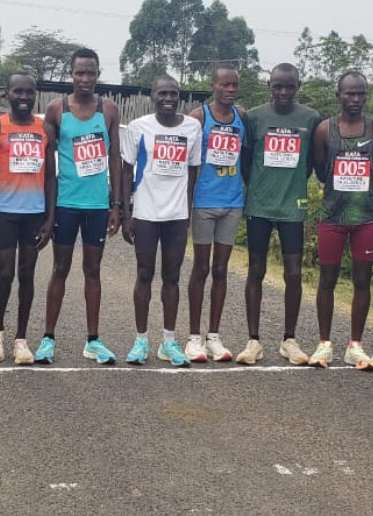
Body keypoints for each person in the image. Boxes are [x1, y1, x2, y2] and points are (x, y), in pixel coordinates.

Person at [37, 48, 123, 365]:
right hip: (66, 204)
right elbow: (47, 163)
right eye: (80, 72)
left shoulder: (108, 109)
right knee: (60, 269)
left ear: (98, 75)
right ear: (70, 74)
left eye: (91, 73)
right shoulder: (56, 110)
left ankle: (93, 341)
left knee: (93, 271)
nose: (85, 78)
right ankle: (47, 338)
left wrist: (116, 205)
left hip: (97, 205)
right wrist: (48, 211)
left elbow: (115, 159)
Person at [239, 64, 321, 365]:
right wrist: (258, 188)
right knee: (256, 270)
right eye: (278, 86)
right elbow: (246, 161)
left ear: (298, 86)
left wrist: (293, 184)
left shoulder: (310, 118)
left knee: (294, 273)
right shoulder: (254, 117)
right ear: (269, 86)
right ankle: (253, 341)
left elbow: (310, 162)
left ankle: (289, 339)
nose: (284, 92)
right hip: (259, 205)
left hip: (292, 206)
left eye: (289, 86)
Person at [122, 75, 203, 367]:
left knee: (172, 277)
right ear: (152, 96)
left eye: (173, 93)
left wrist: (187, 210)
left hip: (176, 215)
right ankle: (140, 341)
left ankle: (168, 342)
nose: (168, 98)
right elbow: (126, 169)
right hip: (145, 213)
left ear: (180, 97)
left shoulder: (192, 128)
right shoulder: (138, 127)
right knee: (144, 274)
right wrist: (126, 213)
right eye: (162, 93)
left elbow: (193, 171)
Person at [309, 71, 373, 370]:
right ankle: (324, 344)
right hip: (333, 215)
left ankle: (355, 345)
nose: (355, 99)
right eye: (349, 93)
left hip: (366, 216)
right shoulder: (324, 130)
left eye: (360, 93)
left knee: (362, 281)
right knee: (327, 279)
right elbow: (320, 170)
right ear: (338, 95)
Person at [0, 74, 56, 364]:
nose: (23, 97)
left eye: (29, 92)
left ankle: (21, 339)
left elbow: (51, 176)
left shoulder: (45, 128)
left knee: (27, 275)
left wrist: (50, 218)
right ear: (6, 94)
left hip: (35, 213)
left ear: (35, 95)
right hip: (6, 212)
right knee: (6, 274)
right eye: (17, 91)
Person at [185, 65, 244, 362]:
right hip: (204, 202)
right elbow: (188, 162)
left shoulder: (241, 116)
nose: (230, 90)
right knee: (201, 268)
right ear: (213, 85)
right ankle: (193, 337)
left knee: (221, 269)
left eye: (234, 85)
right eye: (224, 84)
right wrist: (186, 203)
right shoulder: (199, 117)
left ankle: (214, 337)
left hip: (232, 202)